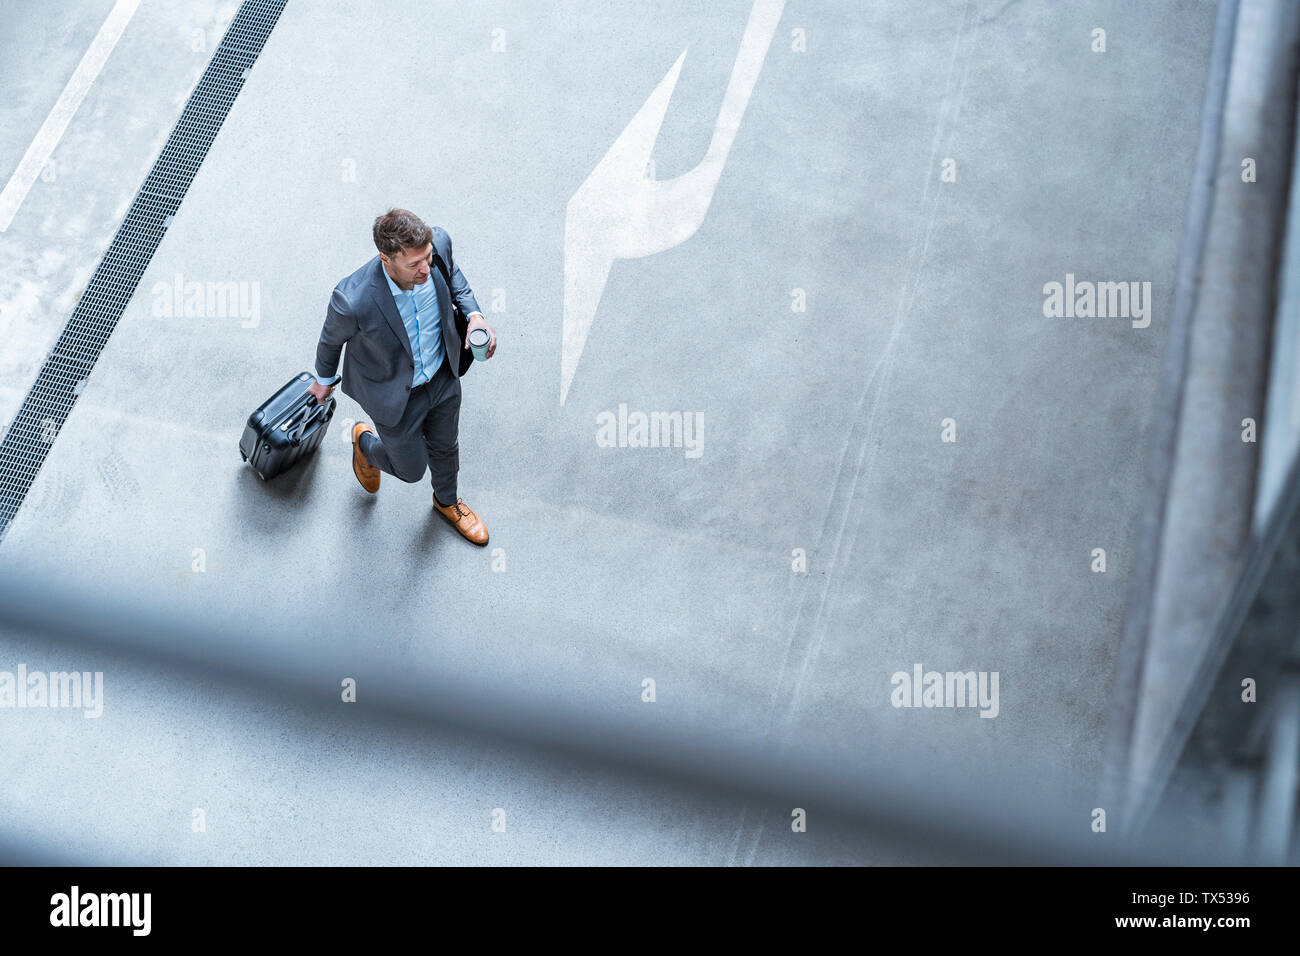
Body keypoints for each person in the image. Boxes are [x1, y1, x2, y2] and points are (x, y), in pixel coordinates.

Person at [308, 208, 496, 545]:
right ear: (386, 258)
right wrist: (323, 380)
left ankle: (448, 501)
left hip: (442, 375)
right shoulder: (352, 299)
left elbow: (453, 275)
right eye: (414, 264)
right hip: (393, 393)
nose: (426, 267)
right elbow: (330, 340)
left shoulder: (437, 244)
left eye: (427, 257)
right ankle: (365, 445)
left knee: (445, 446)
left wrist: (475, 316)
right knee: (410, 471)